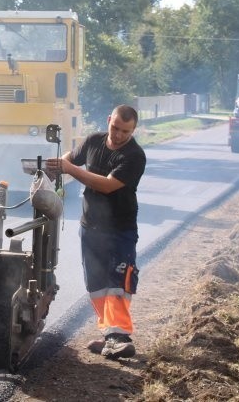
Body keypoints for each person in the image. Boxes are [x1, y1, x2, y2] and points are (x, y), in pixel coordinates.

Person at [46, 105, 146, 360]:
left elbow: (108, 185)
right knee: (97, 285)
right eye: (115, 128)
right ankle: (109, 336)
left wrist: (71, 170)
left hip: (120, 230)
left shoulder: (134, 156)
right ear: (108, 120)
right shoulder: (93, 141)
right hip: (90, 227)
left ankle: (120, 335)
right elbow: (70, 158)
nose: (119, 135)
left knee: (118, 283)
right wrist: (58, 165)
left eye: (126, 131)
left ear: (133, 130)